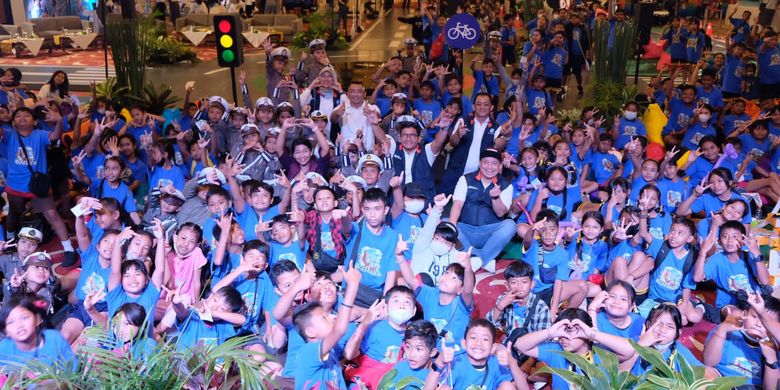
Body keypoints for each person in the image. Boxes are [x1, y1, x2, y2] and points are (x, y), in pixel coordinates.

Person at [292, 260, 360, 390]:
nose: (329, 318)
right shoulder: (309, 352)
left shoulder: (330, 351)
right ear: (310, 332)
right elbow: (339, 331)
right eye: (324, 318)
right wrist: (353, 287)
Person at [449, 148, 515, 272]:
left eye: (494, 163)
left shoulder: (506, 185)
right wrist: (452, 227)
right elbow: (457, 204)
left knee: (510, 225)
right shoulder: (466, 179)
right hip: (465, 231)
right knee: (445, 222)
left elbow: (501, 212)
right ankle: (485, 258)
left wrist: (495, 197)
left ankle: (477, 259)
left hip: (489, 234)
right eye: (486, 162)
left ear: (500, 165)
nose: (489, 167)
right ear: (479, 163)